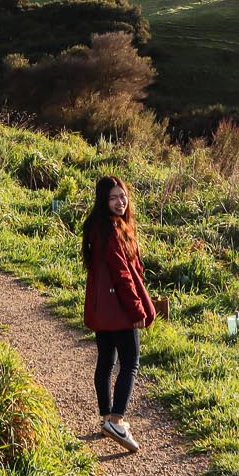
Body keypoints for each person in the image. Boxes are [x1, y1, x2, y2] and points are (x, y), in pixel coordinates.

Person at [82, 173, 156, 452]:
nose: (120, 202)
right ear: (103, 201)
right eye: (113, 198)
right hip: (120, 308)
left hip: (102, 308)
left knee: (106, 361)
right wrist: (136, 308)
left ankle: (106, 418)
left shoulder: (98, 227)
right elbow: (122, 274)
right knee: (130, 363)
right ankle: (117, 421)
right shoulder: (112, 231)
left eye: (122, 196)